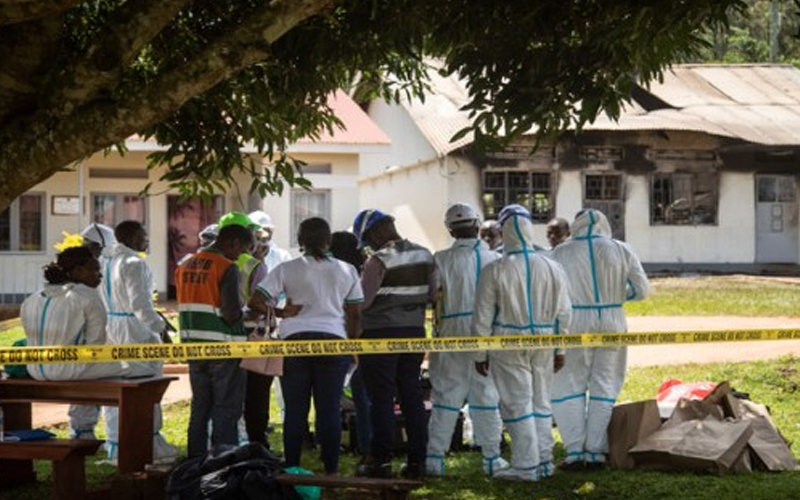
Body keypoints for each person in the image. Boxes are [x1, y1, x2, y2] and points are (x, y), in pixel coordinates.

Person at [250, 218, 363, 474]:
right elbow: (355, 314)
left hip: (294, 343)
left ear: (300, 241)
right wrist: (353, 345)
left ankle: (291, 468)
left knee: (295, 410)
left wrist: (282, 313)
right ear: (328, 241)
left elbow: (255, 301)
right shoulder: (347, 270)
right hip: (334, 343)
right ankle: (331, 470)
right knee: (329, 409)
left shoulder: (286, 268)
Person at [473, 204, 572, 482]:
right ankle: (544, 461)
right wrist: (560, 348)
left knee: (517, 404)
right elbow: (565, 313)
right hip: (544, 341)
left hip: (507, 344)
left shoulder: (494, 269)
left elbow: (482, 317)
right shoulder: (552, 267)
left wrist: (480, 353)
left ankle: (526, 466)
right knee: (541, 401)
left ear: (504, 232)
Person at [549, 208, 649, 470]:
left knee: (567, 385)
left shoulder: (560, 252)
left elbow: (552, 294)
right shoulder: (622, 249)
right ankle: (596, 451)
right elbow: (642, 290)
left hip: (575, 323)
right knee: (604, 385)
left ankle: (574, 451)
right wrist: (614, 297)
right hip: (613, 321)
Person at [425, 203, 508, 477]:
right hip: (487, 333)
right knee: (486, 397)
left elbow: (431, 295)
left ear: (450, 230)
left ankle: (434, 459)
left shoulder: (440, 259)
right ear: (477, 225)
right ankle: (492, 458)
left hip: (450, 334)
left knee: (445, 398)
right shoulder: (495, 259)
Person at [352, 209, 434, 479]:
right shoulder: (424, 254)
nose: (369, 246)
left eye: (367, 240)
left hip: (380, 335)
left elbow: (362, 303)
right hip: (414, 332)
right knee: (412, 396)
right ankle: (417, 462)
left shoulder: (378, 260)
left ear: (376, 232)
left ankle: (381, 461)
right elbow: (433, 294)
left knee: (381, 399)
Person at [20, 247, 126, 439]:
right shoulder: (86, 296)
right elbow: (96, 345)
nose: (100, 275)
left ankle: (82, 430)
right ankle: (83, 430)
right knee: (131, 367)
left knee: (93, 367)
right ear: (77, 271)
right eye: (94, 269)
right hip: (65, 370)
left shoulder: (31, 299)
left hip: (34, 369)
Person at [100, 220, 177, 464]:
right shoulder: (134, 262)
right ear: (132, 237)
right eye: (144, 235)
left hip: (111, 327)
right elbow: (140, 305)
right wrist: (160, 328)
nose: (147, 240)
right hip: (135, 330)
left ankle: (115, 443)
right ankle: (150, 443)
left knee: (116, 385)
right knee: (148, 386)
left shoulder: (106, 260)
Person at [176, 223, 254, 457]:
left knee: (200, 407)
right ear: (233, 242)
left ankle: (195, 460)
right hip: (224, 346)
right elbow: (230, 313)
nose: (240, 256)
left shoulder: (184, 265)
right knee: (226, 406)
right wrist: (246, 314)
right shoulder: (226, 267)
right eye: (242, 250)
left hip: (193, 345)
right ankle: (222, 460)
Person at [218, 212, 272, 446]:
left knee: (227, 393)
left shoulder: (214, 263)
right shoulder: (254, 266)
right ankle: (256, 443)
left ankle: (226, 443)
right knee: (256, 394)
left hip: (222, 334)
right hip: (252, 335)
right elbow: (263, 303)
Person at [330, 231, 371, 459]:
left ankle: (331, 443)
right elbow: (358, 313)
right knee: (361, 394)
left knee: (329, 396)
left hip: (332, 336)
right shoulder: (360, 272)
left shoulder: (330, 272)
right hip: (358, 338)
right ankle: (365, 444)